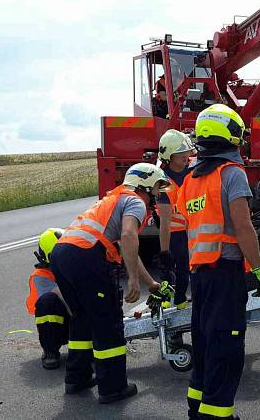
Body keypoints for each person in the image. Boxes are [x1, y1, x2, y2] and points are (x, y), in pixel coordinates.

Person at [178, 104, 260, 419]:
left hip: (200, 274)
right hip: (225, 273)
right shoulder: (231, 173)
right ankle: (216, 414)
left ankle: (196, 407)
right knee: (227, 349)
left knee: (204, 344)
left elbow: (186, 220)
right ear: (231, 135)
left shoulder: (191, 178)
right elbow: (244, 227)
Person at [51, 163, 169, 404]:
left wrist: (150, 283)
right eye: (157, 186)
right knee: (107, 323)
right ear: (144, 183)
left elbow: (130, 251)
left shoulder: (114, 199)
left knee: (82, 319)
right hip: (87, 256)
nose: (158, 193)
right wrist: (134, 281)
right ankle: (113, 387)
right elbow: (128, 236)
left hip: (62, 254)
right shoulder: (135, 201)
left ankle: (77, 378)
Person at [156, 129, 196, 319]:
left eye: (187, 151)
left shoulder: (193, 172)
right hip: (174, 233)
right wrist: (164, 251)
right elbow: (164, 220)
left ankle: (180, 300)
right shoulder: (162, 181)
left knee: (185, 270)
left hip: (192, 230)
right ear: (170, 156)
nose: (186, 155)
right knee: (171, 268)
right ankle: (166, 301)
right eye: (181, 152)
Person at [26, 228, 70, 370]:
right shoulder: (41, 276)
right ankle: (50, 350)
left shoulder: (73, 264)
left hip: (81, 316)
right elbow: (58, 292)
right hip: (63, 323)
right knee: (47, 301)